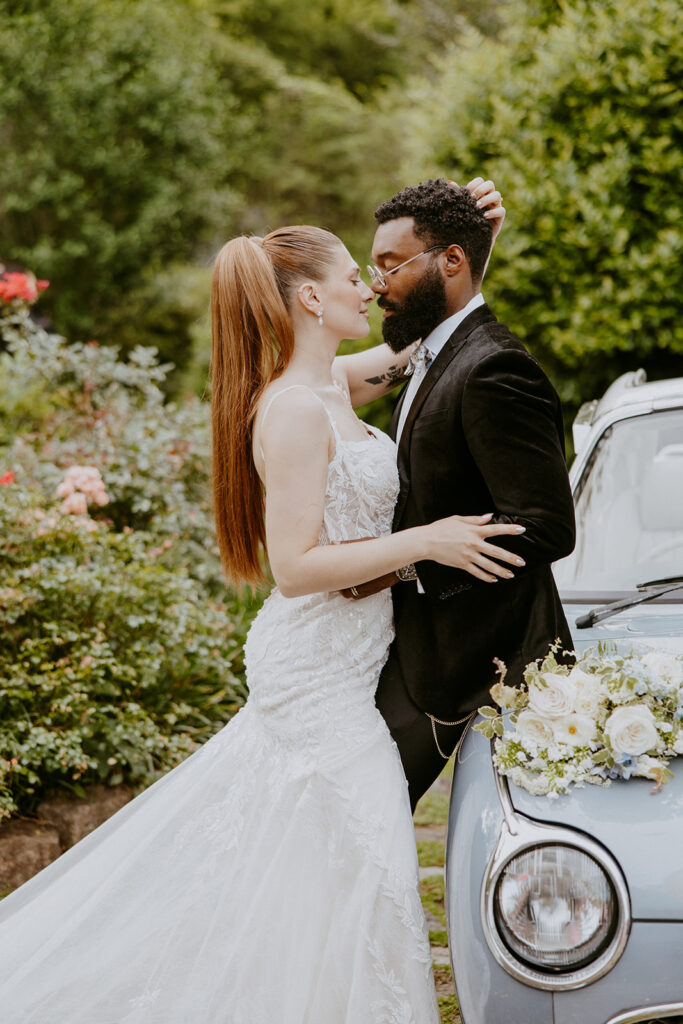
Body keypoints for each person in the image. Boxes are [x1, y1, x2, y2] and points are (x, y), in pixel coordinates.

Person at [0, 190, 520, 1022]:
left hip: (341, 660)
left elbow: (433, 341)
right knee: (375, 855)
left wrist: (472, 242)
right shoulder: (289, 410)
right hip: (313, 669)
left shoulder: (335, 385)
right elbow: (294, 566)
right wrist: (427, 540)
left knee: (310, 866)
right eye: (356, 276)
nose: (370, 288)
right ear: (310, 297)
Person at [345, 178, 576, 810]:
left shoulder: (496, 368)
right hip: (421, 655)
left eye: (391, 265)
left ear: (450, 260)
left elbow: (547, 525)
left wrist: (414, 559)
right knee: (358, 822)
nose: (376, 284)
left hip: (485, 665)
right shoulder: (431, 353)